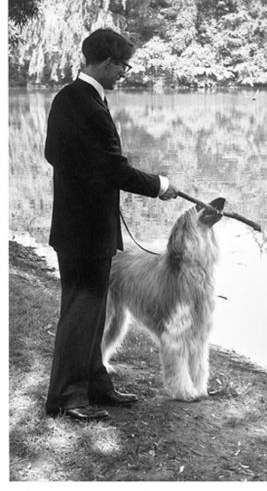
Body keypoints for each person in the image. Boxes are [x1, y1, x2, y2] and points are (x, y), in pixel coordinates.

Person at [43, 28, 179, 420]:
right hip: (82, 230)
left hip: (84, 227)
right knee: (81, 312)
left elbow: (59, 155)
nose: (124, 73)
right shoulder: (81, 102)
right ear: (106, 62)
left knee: (94, 310)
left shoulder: (75, 99)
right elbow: (110, 167)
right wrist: (159, 186)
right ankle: (66, 399)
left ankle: (95, 386)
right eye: (122, 66)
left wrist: (89, 176)